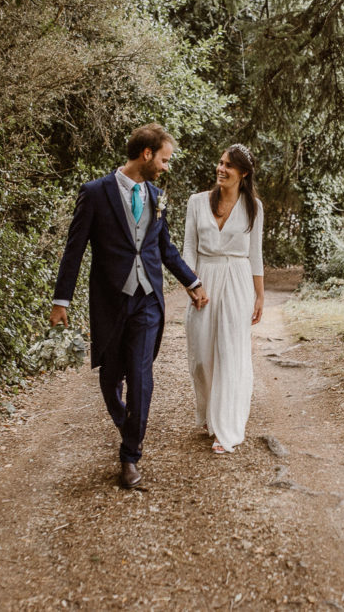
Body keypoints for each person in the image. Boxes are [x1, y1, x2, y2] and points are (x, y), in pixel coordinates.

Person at [49, 124, 209, 488]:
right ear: (147, 154)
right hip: (110, 300)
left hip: (148, 300)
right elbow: (74, 250)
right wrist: (61, 301)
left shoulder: (158, 196)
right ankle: (128, 424)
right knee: (110, 379)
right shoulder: (95, 193)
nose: (167, 167)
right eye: (164, 160)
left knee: (140, 376)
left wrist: (193, 282)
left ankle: (130, 456)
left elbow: (164, 249)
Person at [182, 144, 264, 454]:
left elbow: (255, 256)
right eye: (220, 162)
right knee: (202, 357)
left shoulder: (253, 206)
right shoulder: (197, 202)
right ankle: (208, 413)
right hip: (204, 278)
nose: (221, 169)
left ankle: (226, 428)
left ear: (243, 173)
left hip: (238, 281)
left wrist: (260, 296)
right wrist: (191, 282)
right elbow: (189, 248)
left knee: (231, 353)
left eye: (229, 165)